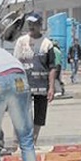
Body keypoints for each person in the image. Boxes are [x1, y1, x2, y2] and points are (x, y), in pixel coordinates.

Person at [13, 12, 56, 146]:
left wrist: (52, 87)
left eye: (34, 24)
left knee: (39, 115)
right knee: (22, 113)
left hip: (41, 85)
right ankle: (18, 141)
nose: (31, 27)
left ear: (40, 25)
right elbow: (15, 63)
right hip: (23, 84)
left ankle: (33, 141)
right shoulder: (21, 42)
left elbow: (52, 67)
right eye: (29, 24)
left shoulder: (47, 44)